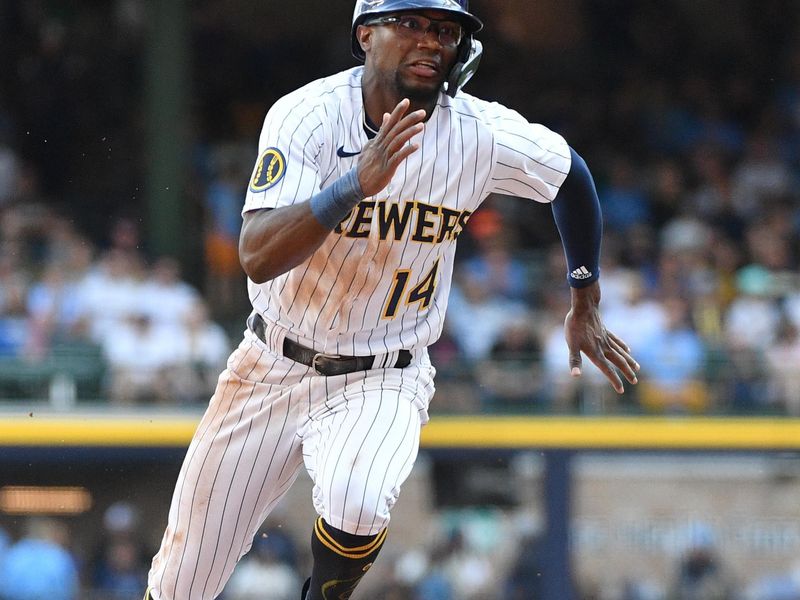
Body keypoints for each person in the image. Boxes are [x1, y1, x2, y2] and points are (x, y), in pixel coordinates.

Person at [144, 1, 640, 599]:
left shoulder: (475, 132)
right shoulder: (307, 117)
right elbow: (257, 254)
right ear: (366, 34)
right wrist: (354, 183)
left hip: (383, 373)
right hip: (269, 367)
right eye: (411, 24)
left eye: (445, 31)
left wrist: (584, 296)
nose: (430, 41)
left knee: (359, 499)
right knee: (181, 580)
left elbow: (571, 177)